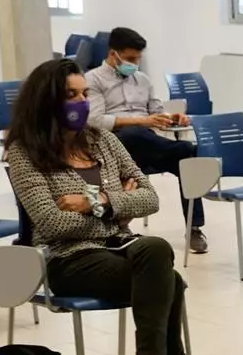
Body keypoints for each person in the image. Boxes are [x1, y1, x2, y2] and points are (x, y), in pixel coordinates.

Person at [5, 58, 221, 355]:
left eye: (84, 93)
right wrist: (117, 205)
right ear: (46, 100)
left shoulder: (103, 140)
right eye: (70, 95)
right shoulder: (26, 153)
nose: (81, 101)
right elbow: (52, 224)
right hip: (67, 259)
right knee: (169, 282)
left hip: (121, 247)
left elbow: (150, 198)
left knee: (156, 250)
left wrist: (95, 202)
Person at [84, 27, 207, 254]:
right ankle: (115, 226)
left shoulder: (142, 80)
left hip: (147, 144)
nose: (135, 64)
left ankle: (194, 226)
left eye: (138, 59)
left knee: (188, 153)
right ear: (113, 54)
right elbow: (96, 121)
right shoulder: (93, 80)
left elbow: (156, 112)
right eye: (130, 59)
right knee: (134, 133)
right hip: (114, 145)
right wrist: (142, 121)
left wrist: (171, 118)